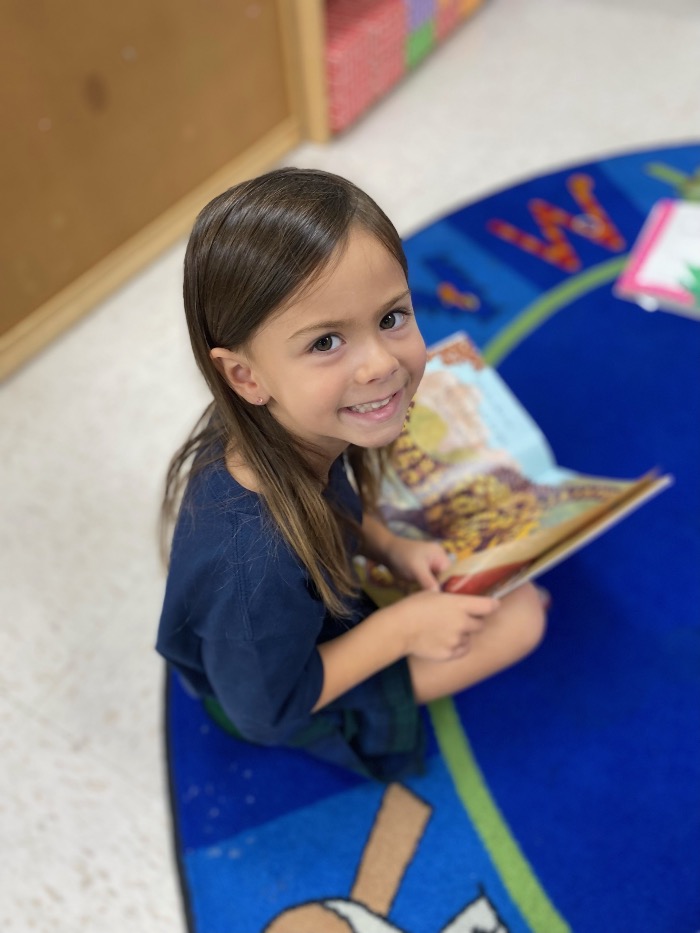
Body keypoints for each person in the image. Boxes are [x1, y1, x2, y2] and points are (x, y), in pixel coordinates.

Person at [156, 167, 546, 781]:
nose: (380, 365)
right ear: (245, 376)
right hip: (279, 692)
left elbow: (333, 504)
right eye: (325, 342)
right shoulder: (253, 560)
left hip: (301, 621)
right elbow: (264, 711)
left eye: (392, 318)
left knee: (507, 586)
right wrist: (403, 628)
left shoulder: (286, 427)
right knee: (522, 620)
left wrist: (388, 544)